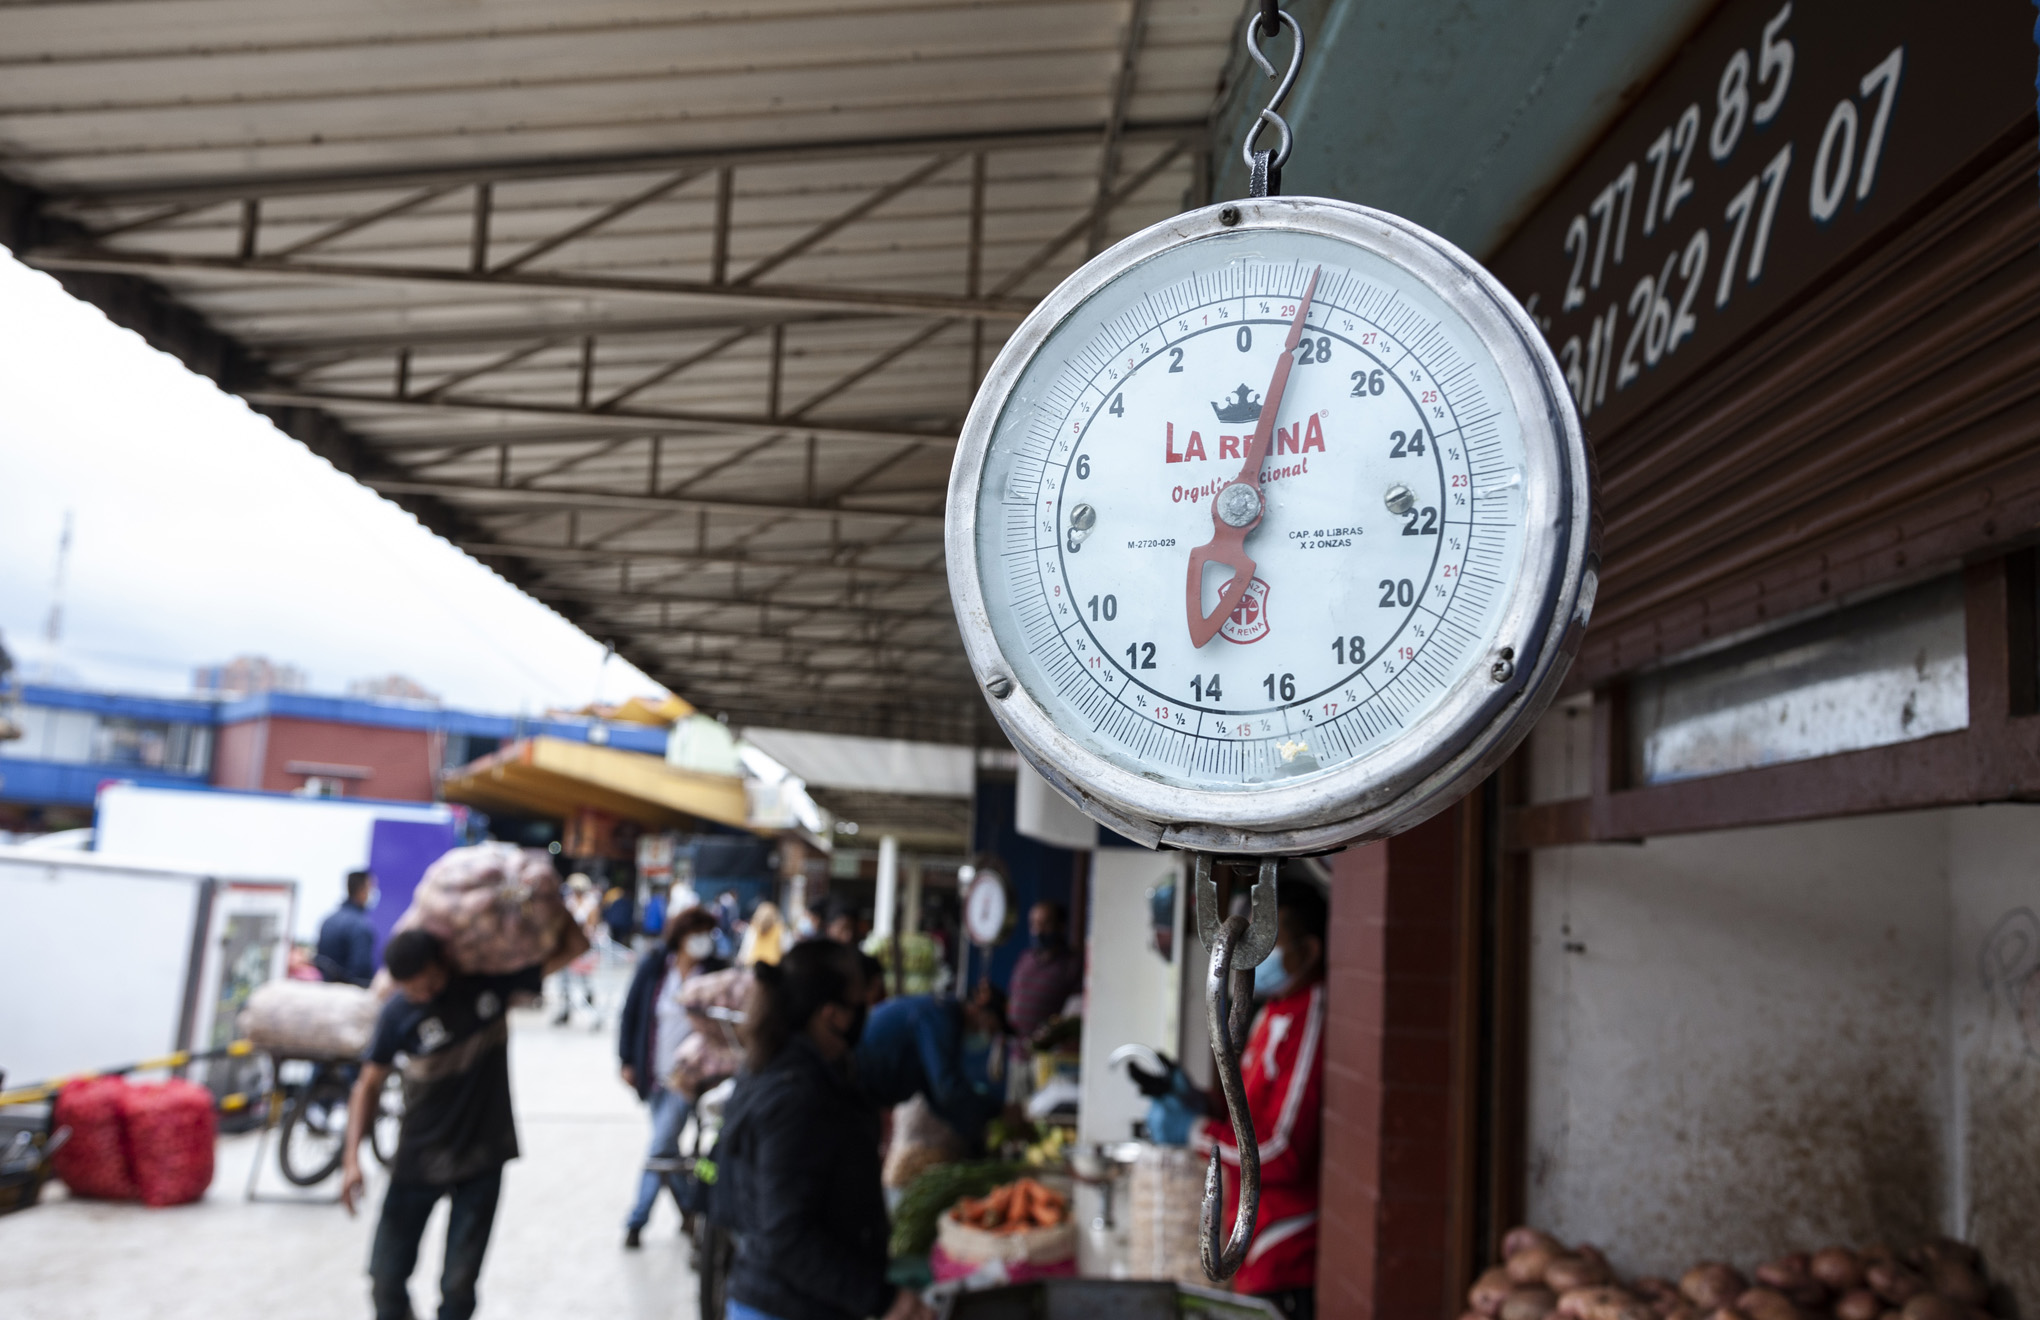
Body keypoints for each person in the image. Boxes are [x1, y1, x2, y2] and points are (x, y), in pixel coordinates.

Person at [716, 940, 934, 1320]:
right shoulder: (796, 1096)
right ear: (832, 1014)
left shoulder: (781, 1065)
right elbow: (786, 1235)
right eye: (858, 1001)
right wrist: (882, 1300)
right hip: (785, 1306)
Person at [340, 930, 547, 1320]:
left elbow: (556, 950)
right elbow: (368, 1084)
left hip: (482, 1157)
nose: (423, 995)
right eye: (413, 990)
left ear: (444, 963)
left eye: (429, 984)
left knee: (458, 1286)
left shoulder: (487, 987)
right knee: (385, 1278)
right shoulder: (397, 1013)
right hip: (419, 1158)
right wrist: (351, 1159)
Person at [1155, 878, 1326, 1319]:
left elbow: (1283, 1149)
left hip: (1285, 1254)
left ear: (1309, 951)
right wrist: (1202, 1103)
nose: (1257, 956)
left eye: (1273, 942)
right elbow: (1247, 1110)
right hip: (1254, 1248)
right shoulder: (1273, 1010)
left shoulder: (1312, 1013)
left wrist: (1195, 1133)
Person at [616, 905, 725, 1247]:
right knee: (668, 1151)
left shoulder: (716, 972)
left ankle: (637, 1220)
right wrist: (626, 1059)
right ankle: (691, 1210)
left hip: (691, 1077)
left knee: (660, 1146)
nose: (704, 941)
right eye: (698, 934)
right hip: (654, 1071)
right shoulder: (655, 966)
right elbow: (632, 1011)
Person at [853, 989, 1007, 1152]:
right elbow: (947, 1090)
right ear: (978, 1009)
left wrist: (974, 1135)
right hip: (856, 1087)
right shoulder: (940, 1016)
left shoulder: (942, 1017)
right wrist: (998, 1111)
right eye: (990, 1028)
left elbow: (935, 1094)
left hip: (865, 1094)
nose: (987, 1036)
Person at [1006, 901, 1082, 1039]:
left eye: (1045, 924)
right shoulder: (1025, 959)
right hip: (1017, 1052)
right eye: (1034, 924)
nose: (1038, 931)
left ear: (1060, 927)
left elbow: (1075, 1013)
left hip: (1050, 1056)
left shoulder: (1072, 964)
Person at [315, 870, 379, 987]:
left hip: (325, 991)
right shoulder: (360, 926)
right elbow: (362, 971)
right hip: (349, 996)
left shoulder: (328, 921)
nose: (374, 892)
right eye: (372, 887)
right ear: (362, 891)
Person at [737, 900, 786, 967]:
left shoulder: (753, 928)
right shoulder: (779, 929)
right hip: (773, 966)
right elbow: (784, 948)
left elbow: (746, 948)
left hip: (754, 964)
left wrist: (741, 959)